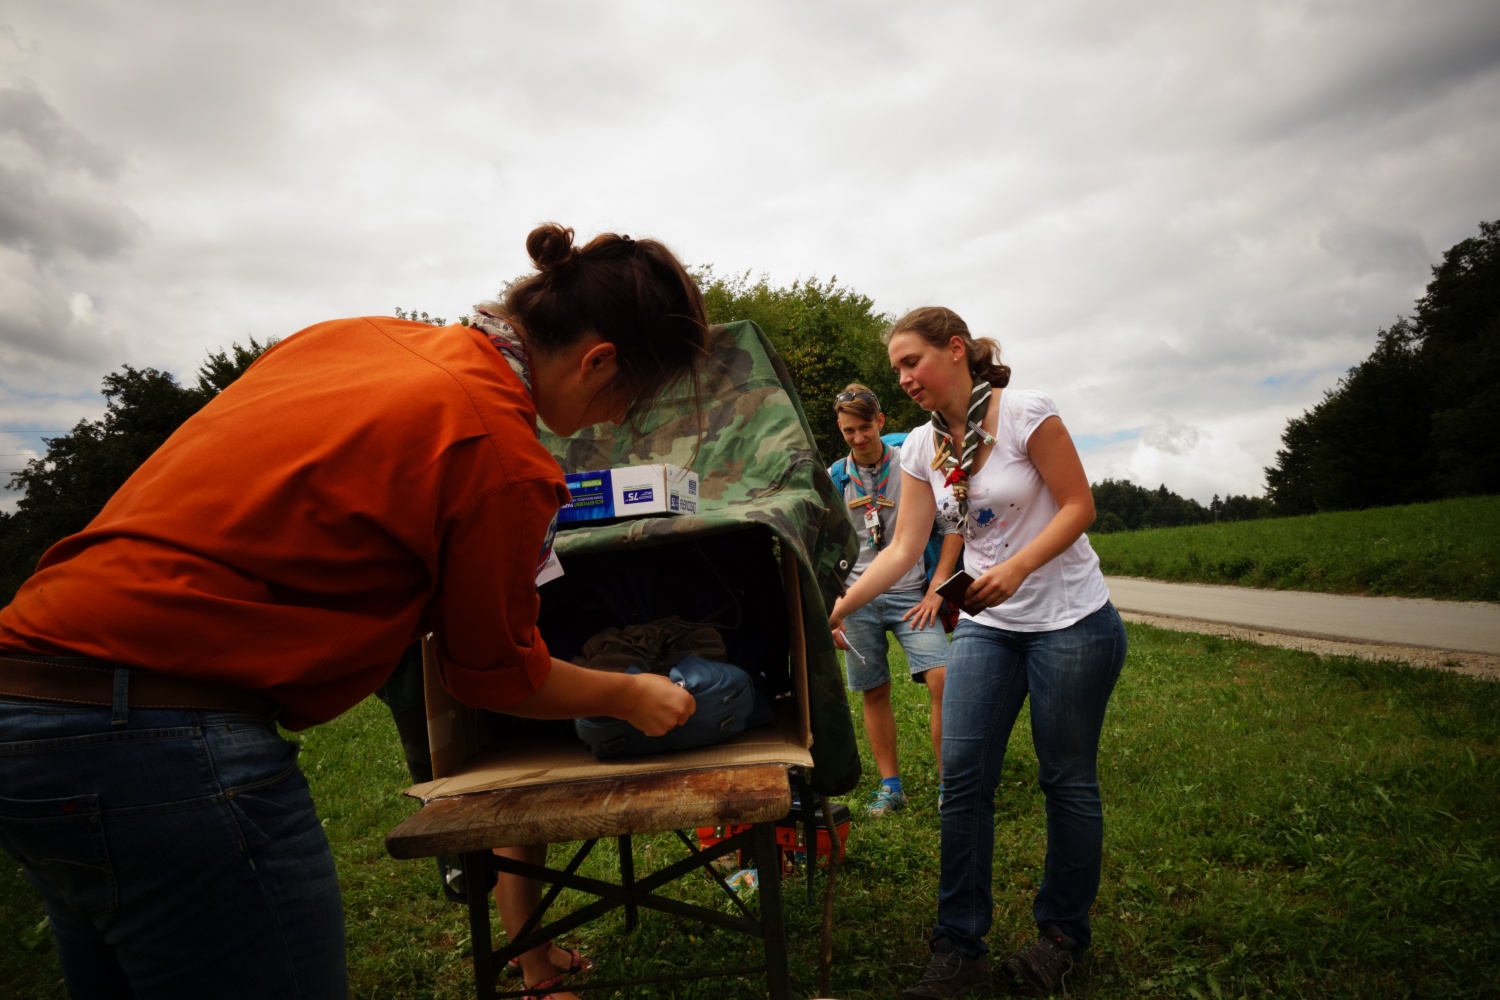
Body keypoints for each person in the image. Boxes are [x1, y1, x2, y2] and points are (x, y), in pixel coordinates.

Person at [0, 223, 707, 1000]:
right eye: (627, 398)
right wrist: (628, 693)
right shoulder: (498, 449)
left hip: (25, 705)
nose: (614, 421)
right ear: (597, 358)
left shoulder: (346, 337)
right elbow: (495, 677)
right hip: (161, 741)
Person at [828, 307, 1127, 999]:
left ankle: (1061, 938)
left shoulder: (1024, 413)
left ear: (955, 351)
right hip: (992, 626)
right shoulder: (920, 449)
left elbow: (1080, 506)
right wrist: (834, 608)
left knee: (1067, 781)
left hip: (1071, 620)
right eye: (896, 368)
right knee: (962, 778)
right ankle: (958, 946)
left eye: (912, 362)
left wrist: (1018, 567)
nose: (902, 378)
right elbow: (904, 548)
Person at [827, 383, 961, 817]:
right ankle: (891, 787)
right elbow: (827, 546)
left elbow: (952, 524)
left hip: (911, 596)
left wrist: (939, 589)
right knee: (874, 691)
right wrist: (836, 608)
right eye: (848, 431)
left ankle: (949, 785)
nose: (858, 438)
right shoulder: (834, 478)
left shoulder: (912, 461)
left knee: (943, 680)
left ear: (881, 421)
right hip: (858, 601)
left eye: (865, 427)